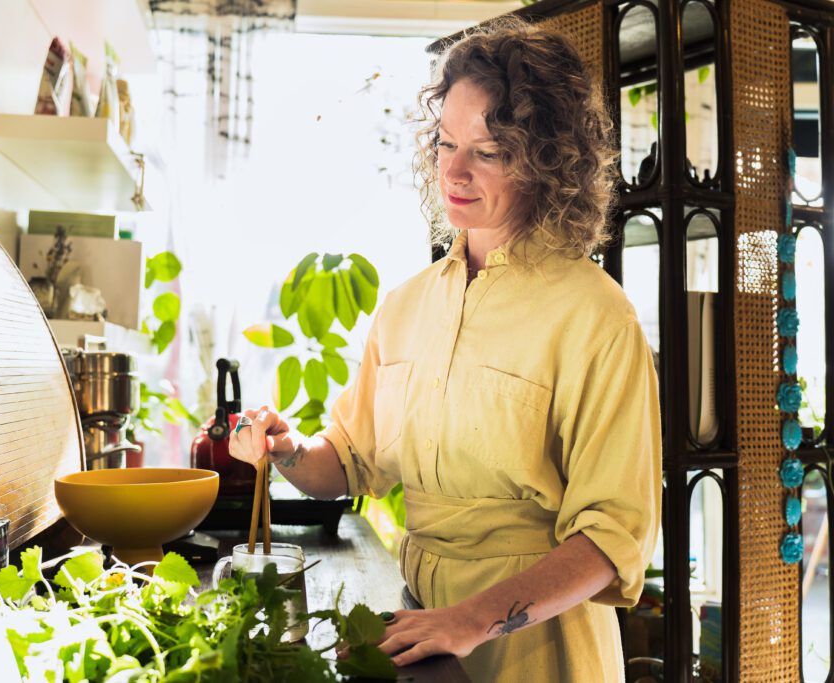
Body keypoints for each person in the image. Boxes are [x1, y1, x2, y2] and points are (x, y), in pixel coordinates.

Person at [229, 16, 662, 682]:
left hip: (543, 651)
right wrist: (287, 450)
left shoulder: (598, 317)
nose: (454, 171)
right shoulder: (407, 306)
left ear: (546, 161)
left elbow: (612, 539)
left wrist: (469, 620)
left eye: (487, 152)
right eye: (446, 142)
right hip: (424, 628)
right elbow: (349, 459)